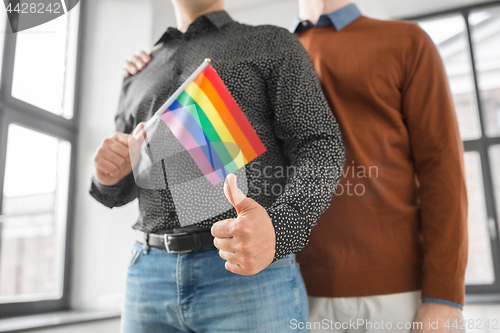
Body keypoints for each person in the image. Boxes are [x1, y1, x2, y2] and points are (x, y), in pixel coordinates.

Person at [125, 1, 468, 332]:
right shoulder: (264, 48)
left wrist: (445, 295)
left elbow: (442, 170)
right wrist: (155, 63)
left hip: (390, 288)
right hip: (288, 279)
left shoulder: (405, 41)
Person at [91, 0, 345, 332]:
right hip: (147, 276)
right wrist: (106, 175)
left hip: (248, 274)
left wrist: (282, 227)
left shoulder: (272, 43)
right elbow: (124, 183)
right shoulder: (138, 71)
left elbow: (320, 145)